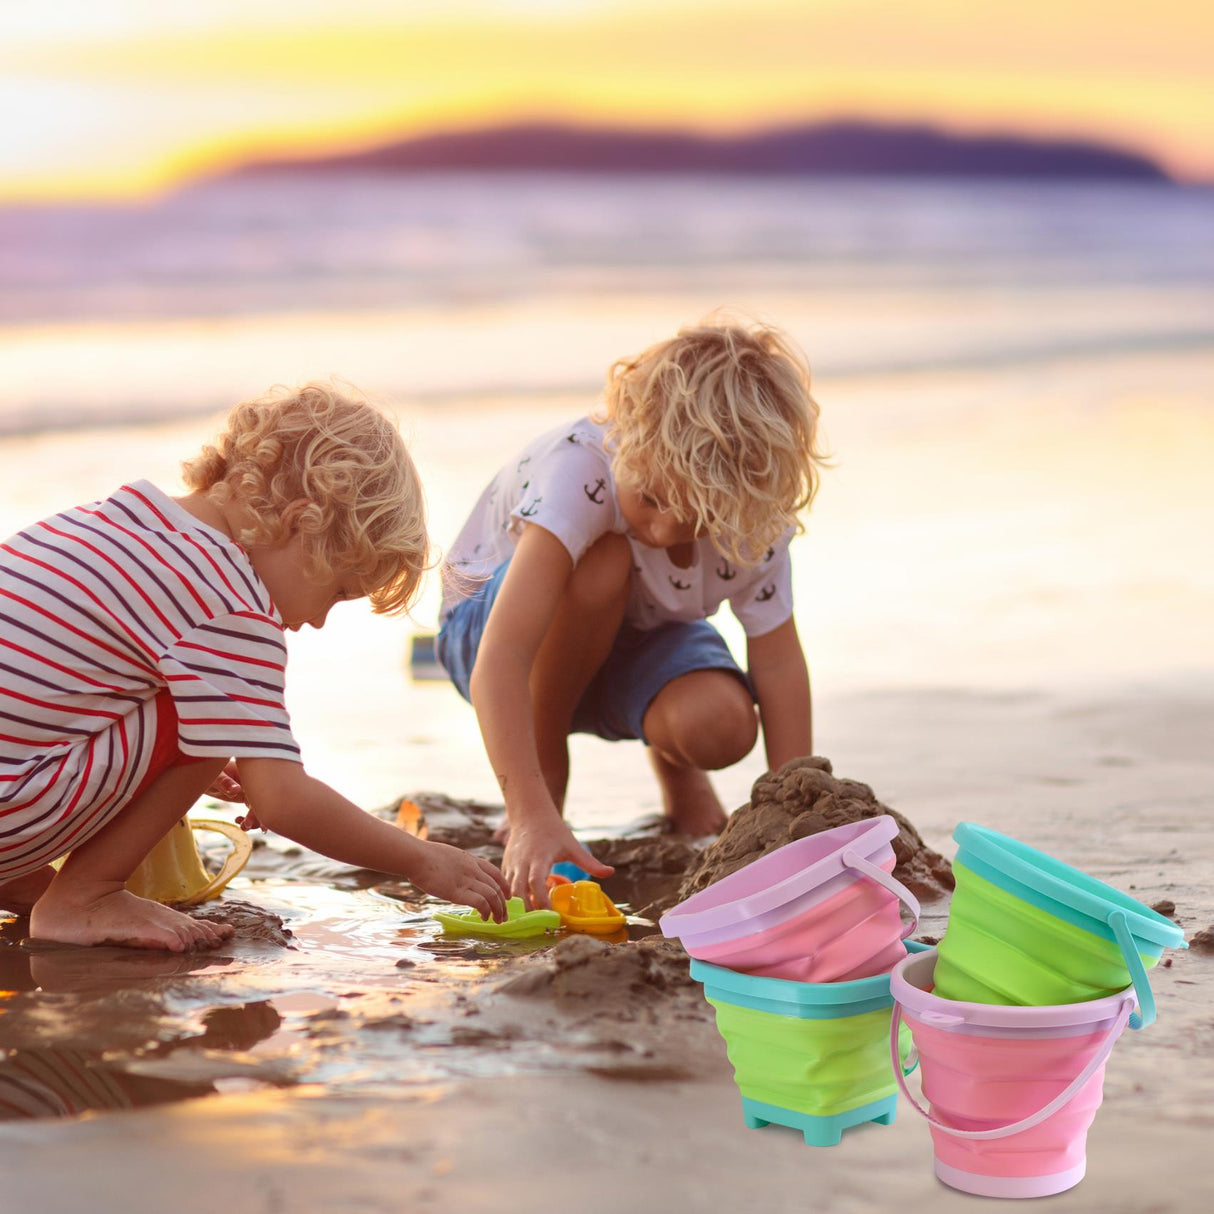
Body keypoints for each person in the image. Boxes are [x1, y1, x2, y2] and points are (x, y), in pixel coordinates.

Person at [0, 384, 509, 951]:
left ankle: (18, 880)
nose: (318, 621)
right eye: (339, 592)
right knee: (215, 716)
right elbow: (283, 801)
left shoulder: (115, 521)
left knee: (211, 714)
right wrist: (420, 859)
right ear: (303, 523)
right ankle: (86, 895)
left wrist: (164, 764)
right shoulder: (230, 599)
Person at [437, 318, 828, 907]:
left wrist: (792, 808)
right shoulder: (580, 470)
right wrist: (529, 809)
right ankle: (547, 783)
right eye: (651, 497)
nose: (664, 530)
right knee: (606, 561)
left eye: (696, 520)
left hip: (634, 634)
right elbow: (503, 655)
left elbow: (776, 663)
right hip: (492, 633)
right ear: (628, 441)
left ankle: (680, 776)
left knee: (722, 725)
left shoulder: (751, 516)